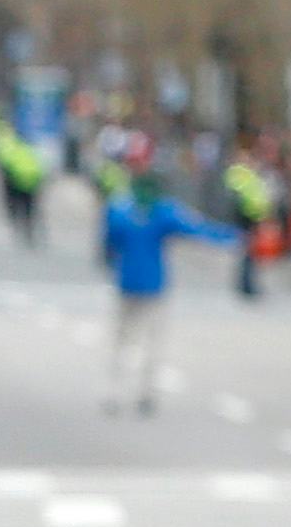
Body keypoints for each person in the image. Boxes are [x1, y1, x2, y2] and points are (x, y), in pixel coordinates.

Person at [100, 145, 234, 416]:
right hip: (154, 284)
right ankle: (145, 393)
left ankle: (114, 390)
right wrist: (233, 237)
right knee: (151, 340)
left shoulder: (120, 209)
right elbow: (197, 229)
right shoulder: (162, 211)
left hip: (127, 280)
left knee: (123, 339)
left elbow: (109, 243)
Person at [223, 144, 276, 298]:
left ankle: (248, 284)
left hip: (252, 217)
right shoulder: (240, 173)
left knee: (251, 254)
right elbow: (243, 197)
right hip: (246, 218)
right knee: (248, 253)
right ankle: (247, 285)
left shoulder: (248, 174)